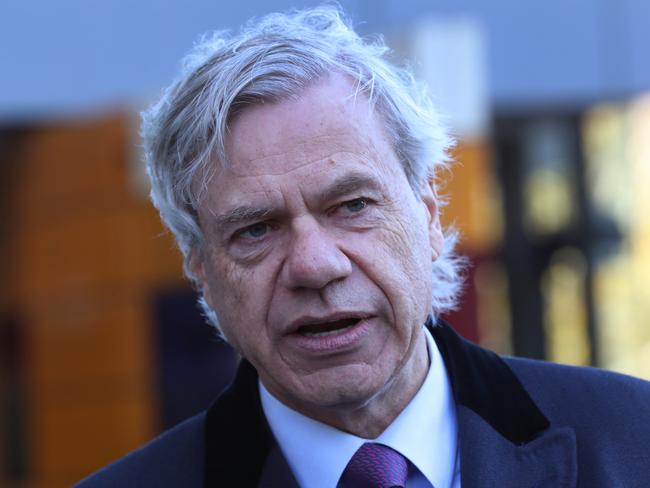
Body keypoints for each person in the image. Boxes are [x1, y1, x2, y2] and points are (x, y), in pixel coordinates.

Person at [78, 6, 650, 487]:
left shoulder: (634, 440)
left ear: (428, 213)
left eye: (352, 206)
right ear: (201, 267)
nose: (315, 266)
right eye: (256, 230)